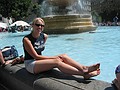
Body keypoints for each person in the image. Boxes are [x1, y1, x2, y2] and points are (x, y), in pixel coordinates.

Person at [23, 17, 100, 79]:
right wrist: (54, 57)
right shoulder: (27, 39)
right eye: (37, 25)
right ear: (32, 25)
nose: (40, 27)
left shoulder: (44, 36)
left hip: (39, 61)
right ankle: (83, 73)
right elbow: (36, 56)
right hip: (31, 64)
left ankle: (83, 67)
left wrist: (54, 58)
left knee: (63, 56)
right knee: (57, 62)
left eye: (42, 26)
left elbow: (39, 53)